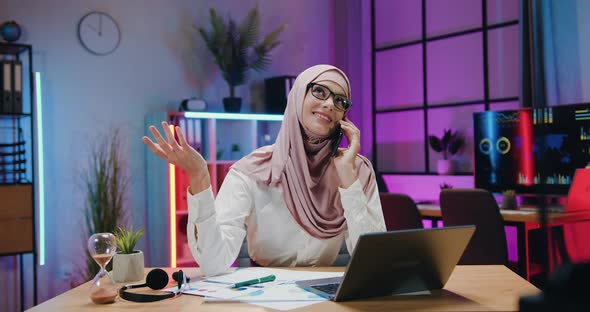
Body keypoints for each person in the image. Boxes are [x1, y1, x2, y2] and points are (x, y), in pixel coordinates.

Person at [143, 64, 386, 276]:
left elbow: (376, 262)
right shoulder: (253, 170)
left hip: (327, 297)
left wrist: (349, 182)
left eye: (340, 101)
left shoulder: (357, 170)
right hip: (265, 294)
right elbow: (212, 263)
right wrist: (199, 177)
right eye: (319, 91)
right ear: (298, 96)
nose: (329, 104)